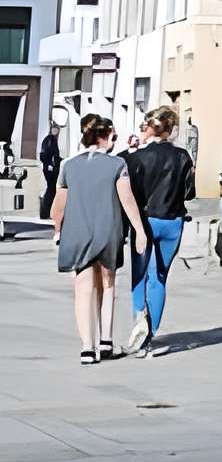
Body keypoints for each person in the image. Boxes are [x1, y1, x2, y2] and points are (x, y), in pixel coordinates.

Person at [51, 115, 150, 364]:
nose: (115, 141)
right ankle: (105, 341)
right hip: (108, 230)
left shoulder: (69, 166)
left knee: (83, 288)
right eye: (114, 136)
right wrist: (139, 230)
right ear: (104, 136)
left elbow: (58, 206)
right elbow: (127, 200)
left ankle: (87, 347)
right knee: (107, 285)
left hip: (78, 232)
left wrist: (57, 230)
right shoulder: (117, 165)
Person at [124, 105, 196, 355]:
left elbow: (129, 194)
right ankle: (150, 337)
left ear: (151, 127)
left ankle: (139, 322)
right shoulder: (183, 156)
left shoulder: (137, 158)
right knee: (160, 278)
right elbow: (190, 192)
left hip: (145, 220)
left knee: (140, 275)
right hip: (173, 221)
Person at [38, 125, 62, 220]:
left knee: (51, 189)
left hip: (50, 167)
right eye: (55, 129)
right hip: (50, 168)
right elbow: (46, 153)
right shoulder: (50, 139)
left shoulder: (50, 139)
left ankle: (46, 212)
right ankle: (45, 212)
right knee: (51, 190)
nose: (56, 131)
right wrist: (50, 164)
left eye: (57, 130)